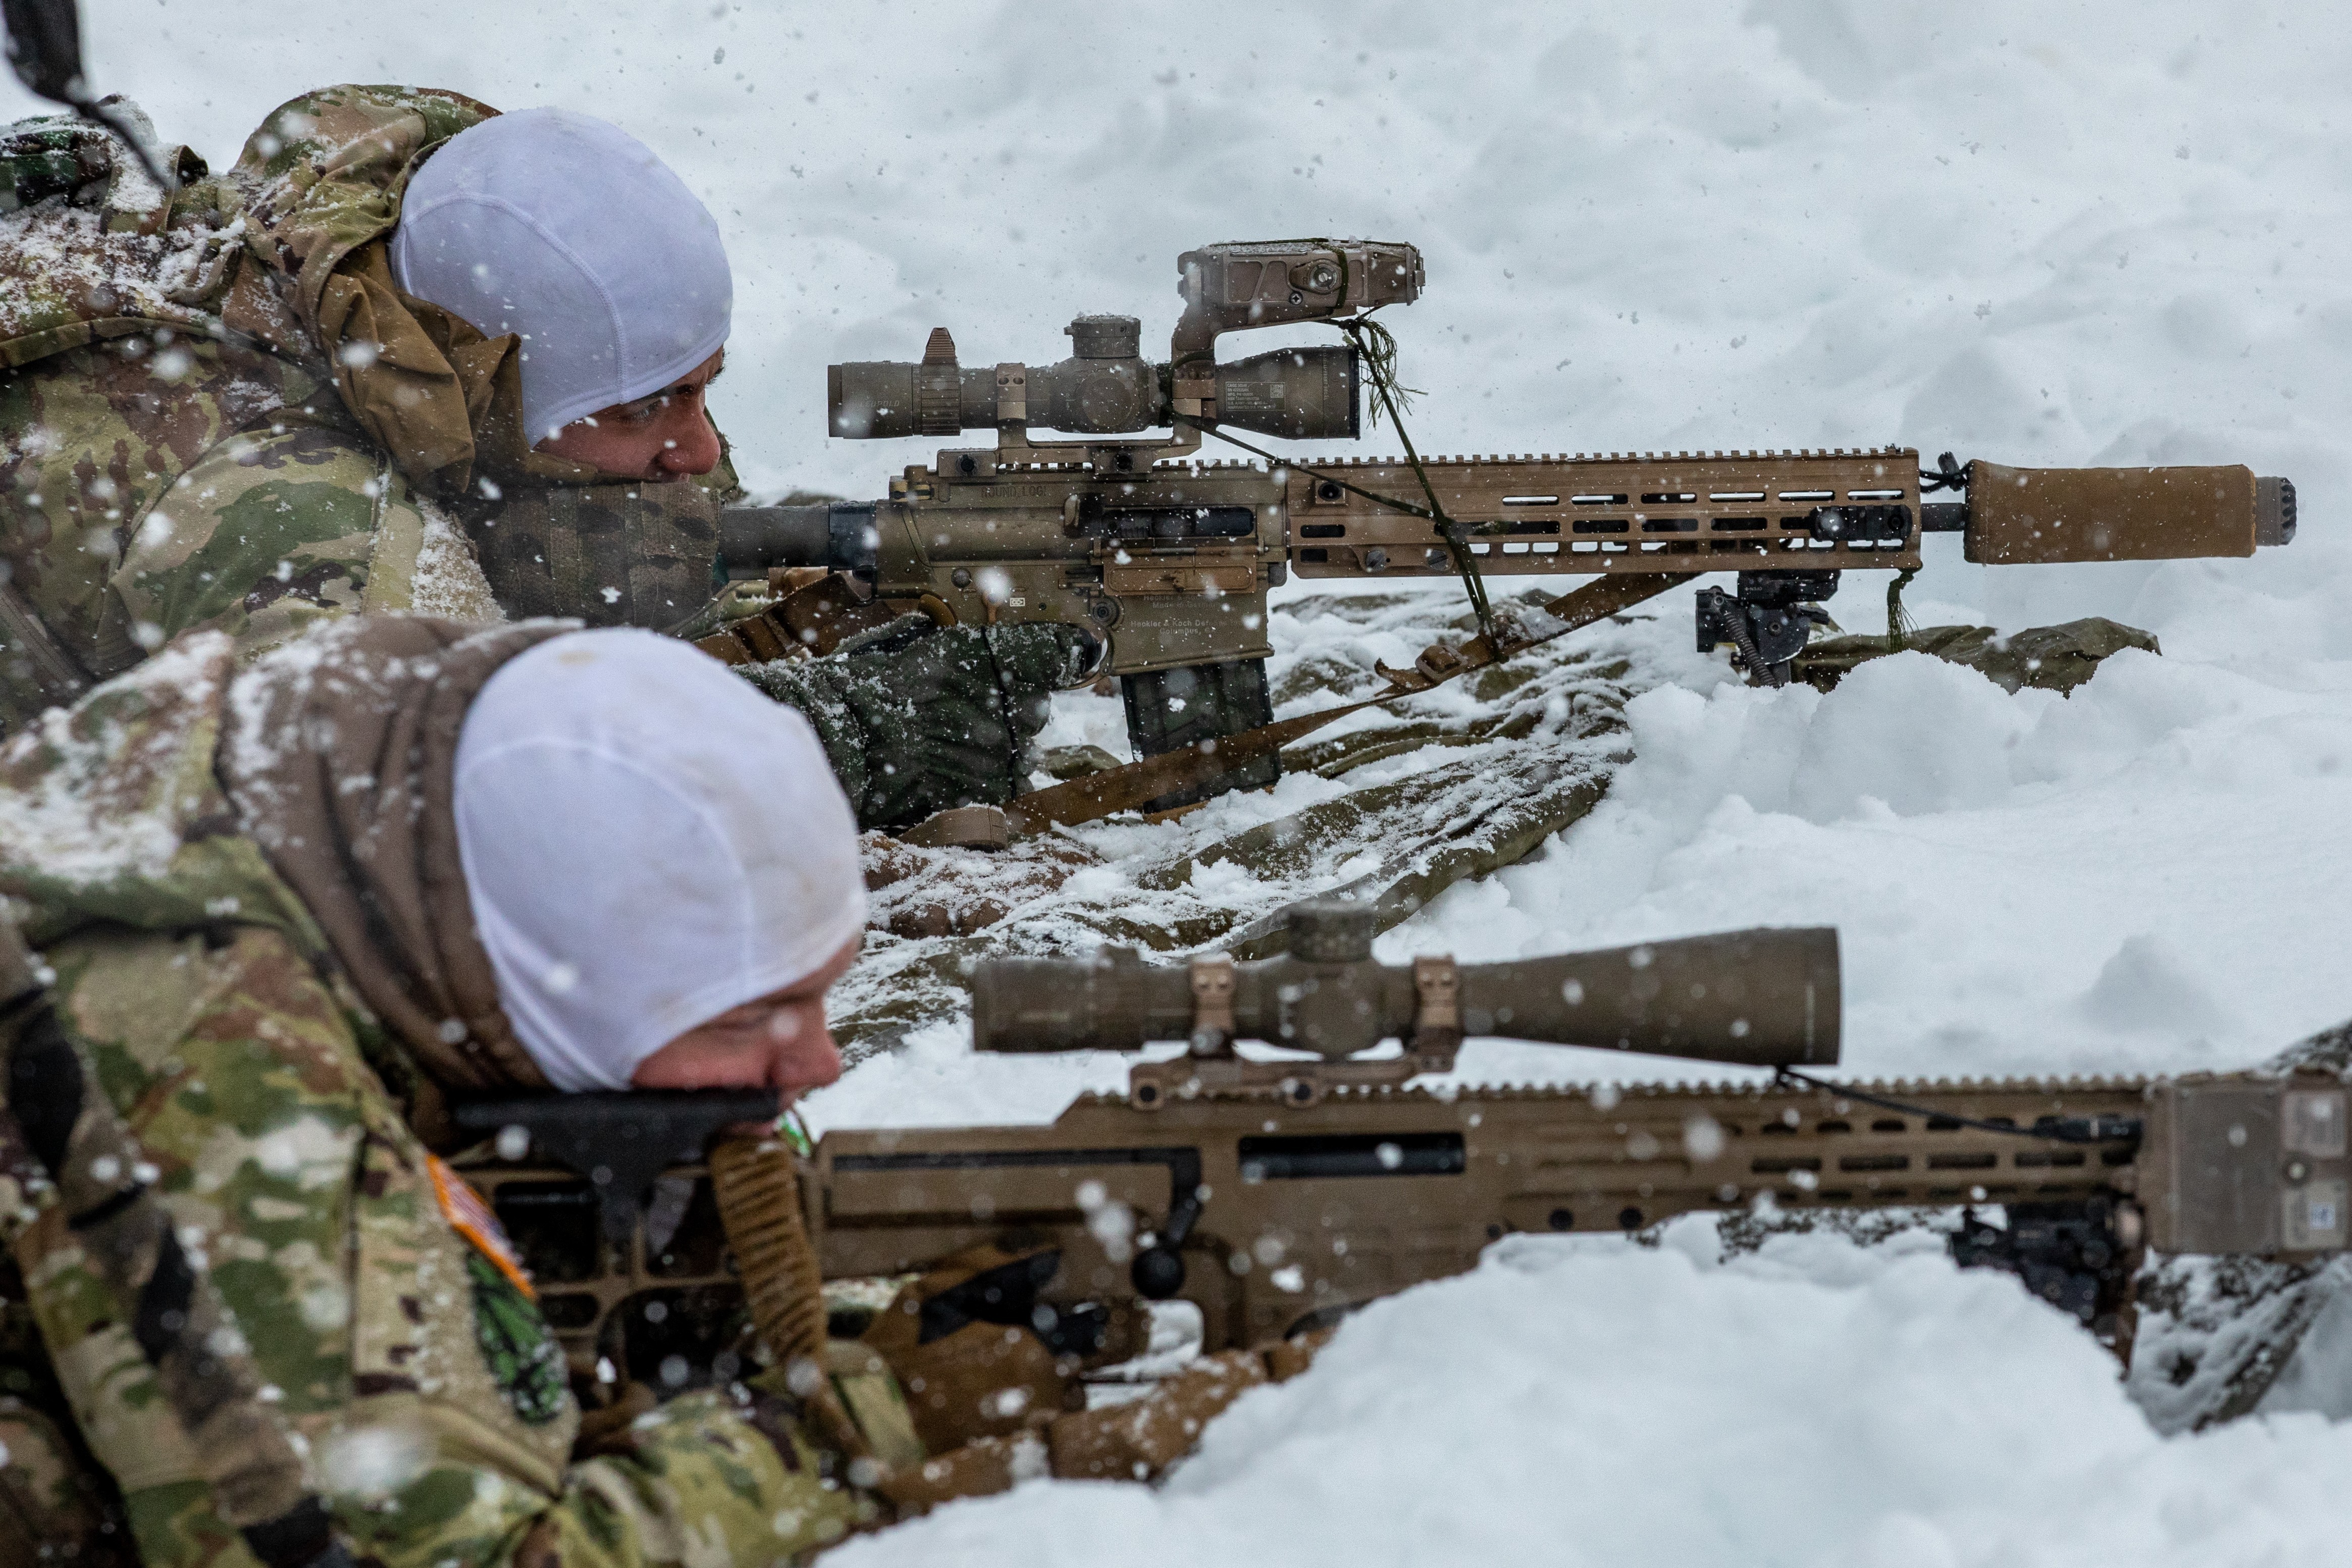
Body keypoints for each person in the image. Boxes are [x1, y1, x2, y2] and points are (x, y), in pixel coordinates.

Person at [0, 616, 1303, 1567]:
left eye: (820, 993)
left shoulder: (362, 801)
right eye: (749, 1015)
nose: (817, 1064)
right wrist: (863, 1423)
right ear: (528, 973)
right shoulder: (209, 1064)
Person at [0, 88, 1084, 826]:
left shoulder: (411, 235)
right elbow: (450, 796)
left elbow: (593, 524)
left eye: (702, 389)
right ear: (491, 386)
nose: (698, 448)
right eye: (644, 407)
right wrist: (836, 737)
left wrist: (786, 612)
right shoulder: (287, 507)